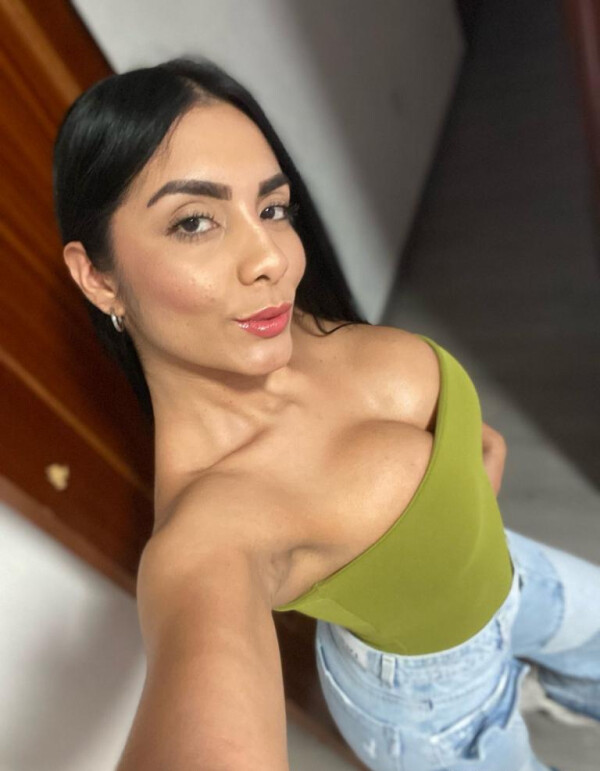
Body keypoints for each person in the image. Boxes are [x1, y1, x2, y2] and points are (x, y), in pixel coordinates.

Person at [52, 56, 599, 771]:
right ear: (98, 277)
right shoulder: (210, 535)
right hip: (431, 711)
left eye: (272, 209)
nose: (270, 258)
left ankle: (541, 684)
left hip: (512, 575)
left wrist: (460, 504)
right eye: (195, 221)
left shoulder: (285, 327)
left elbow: (469, 447)